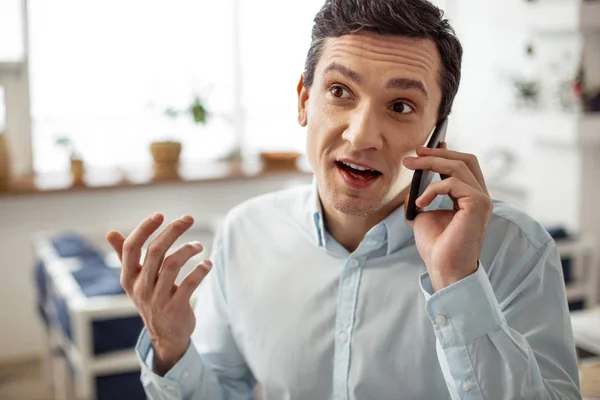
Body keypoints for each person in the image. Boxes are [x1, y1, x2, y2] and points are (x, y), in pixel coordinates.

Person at [106, 0, 582, 398]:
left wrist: (458, 282)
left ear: (438, 135)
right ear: (303, 101)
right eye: (340, 91)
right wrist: (170, 346)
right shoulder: (246, 233)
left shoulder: (513, 248)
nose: (361, 136)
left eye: (400, 107)